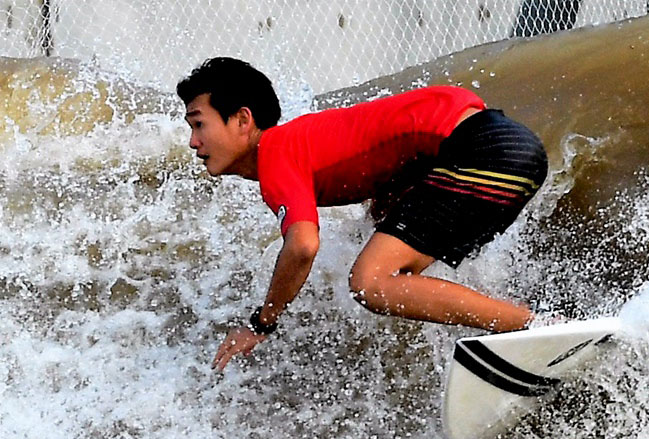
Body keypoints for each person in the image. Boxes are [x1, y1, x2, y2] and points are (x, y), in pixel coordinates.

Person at [176, 57, 548, 371]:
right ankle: (532, 328)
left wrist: (263, 322)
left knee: (369, 282)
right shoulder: (308, 140)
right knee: (397, 262)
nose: (193, 142)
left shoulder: (275, 153)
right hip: (515, 149)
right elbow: (410, 148)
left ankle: (534, 327)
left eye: (199, 124)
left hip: (482, 150)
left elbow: (303, 246)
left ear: (243, 120)